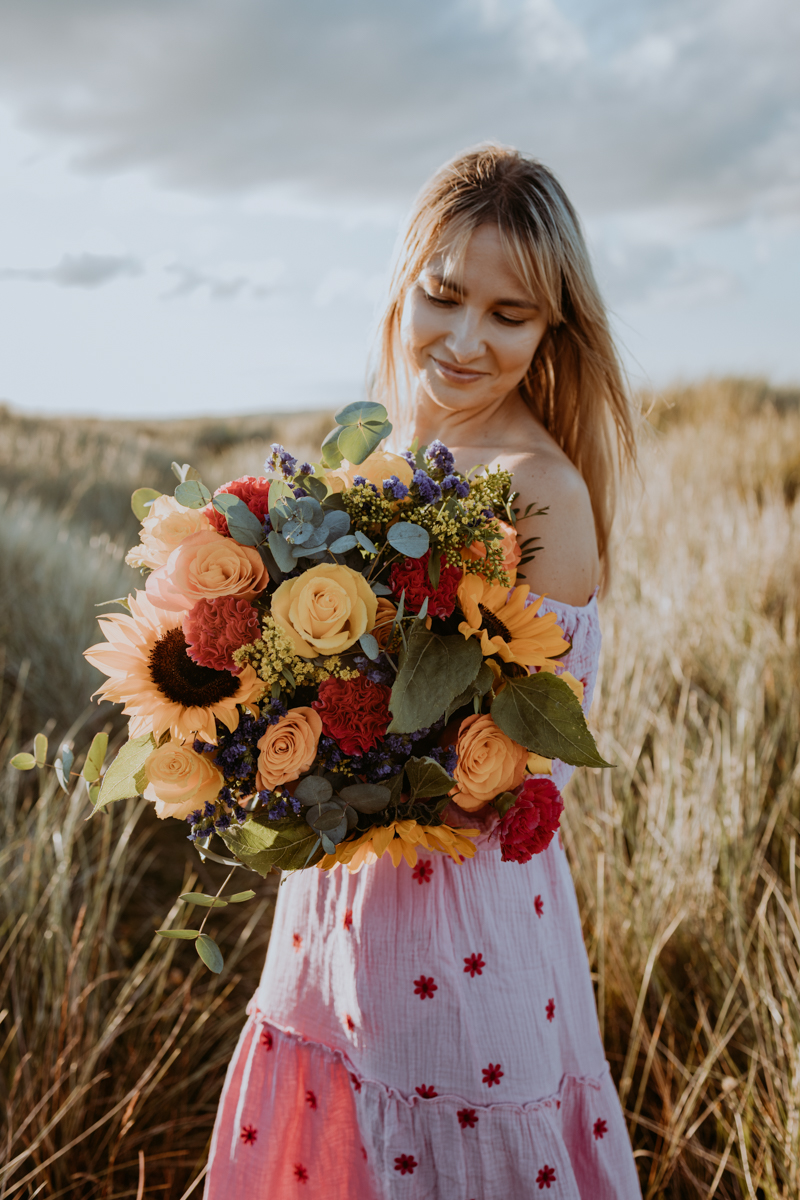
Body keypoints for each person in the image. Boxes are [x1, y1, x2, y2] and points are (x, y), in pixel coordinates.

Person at [204, 144, 641, 1199]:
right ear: (405, 283)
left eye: (509, 313)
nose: (464, 339)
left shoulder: (537, 489)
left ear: (551, 330)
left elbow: (534, 767)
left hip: (463, 927)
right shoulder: (375, 450)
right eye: (443, 296)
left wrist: (365, 745)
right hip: (337, 913)